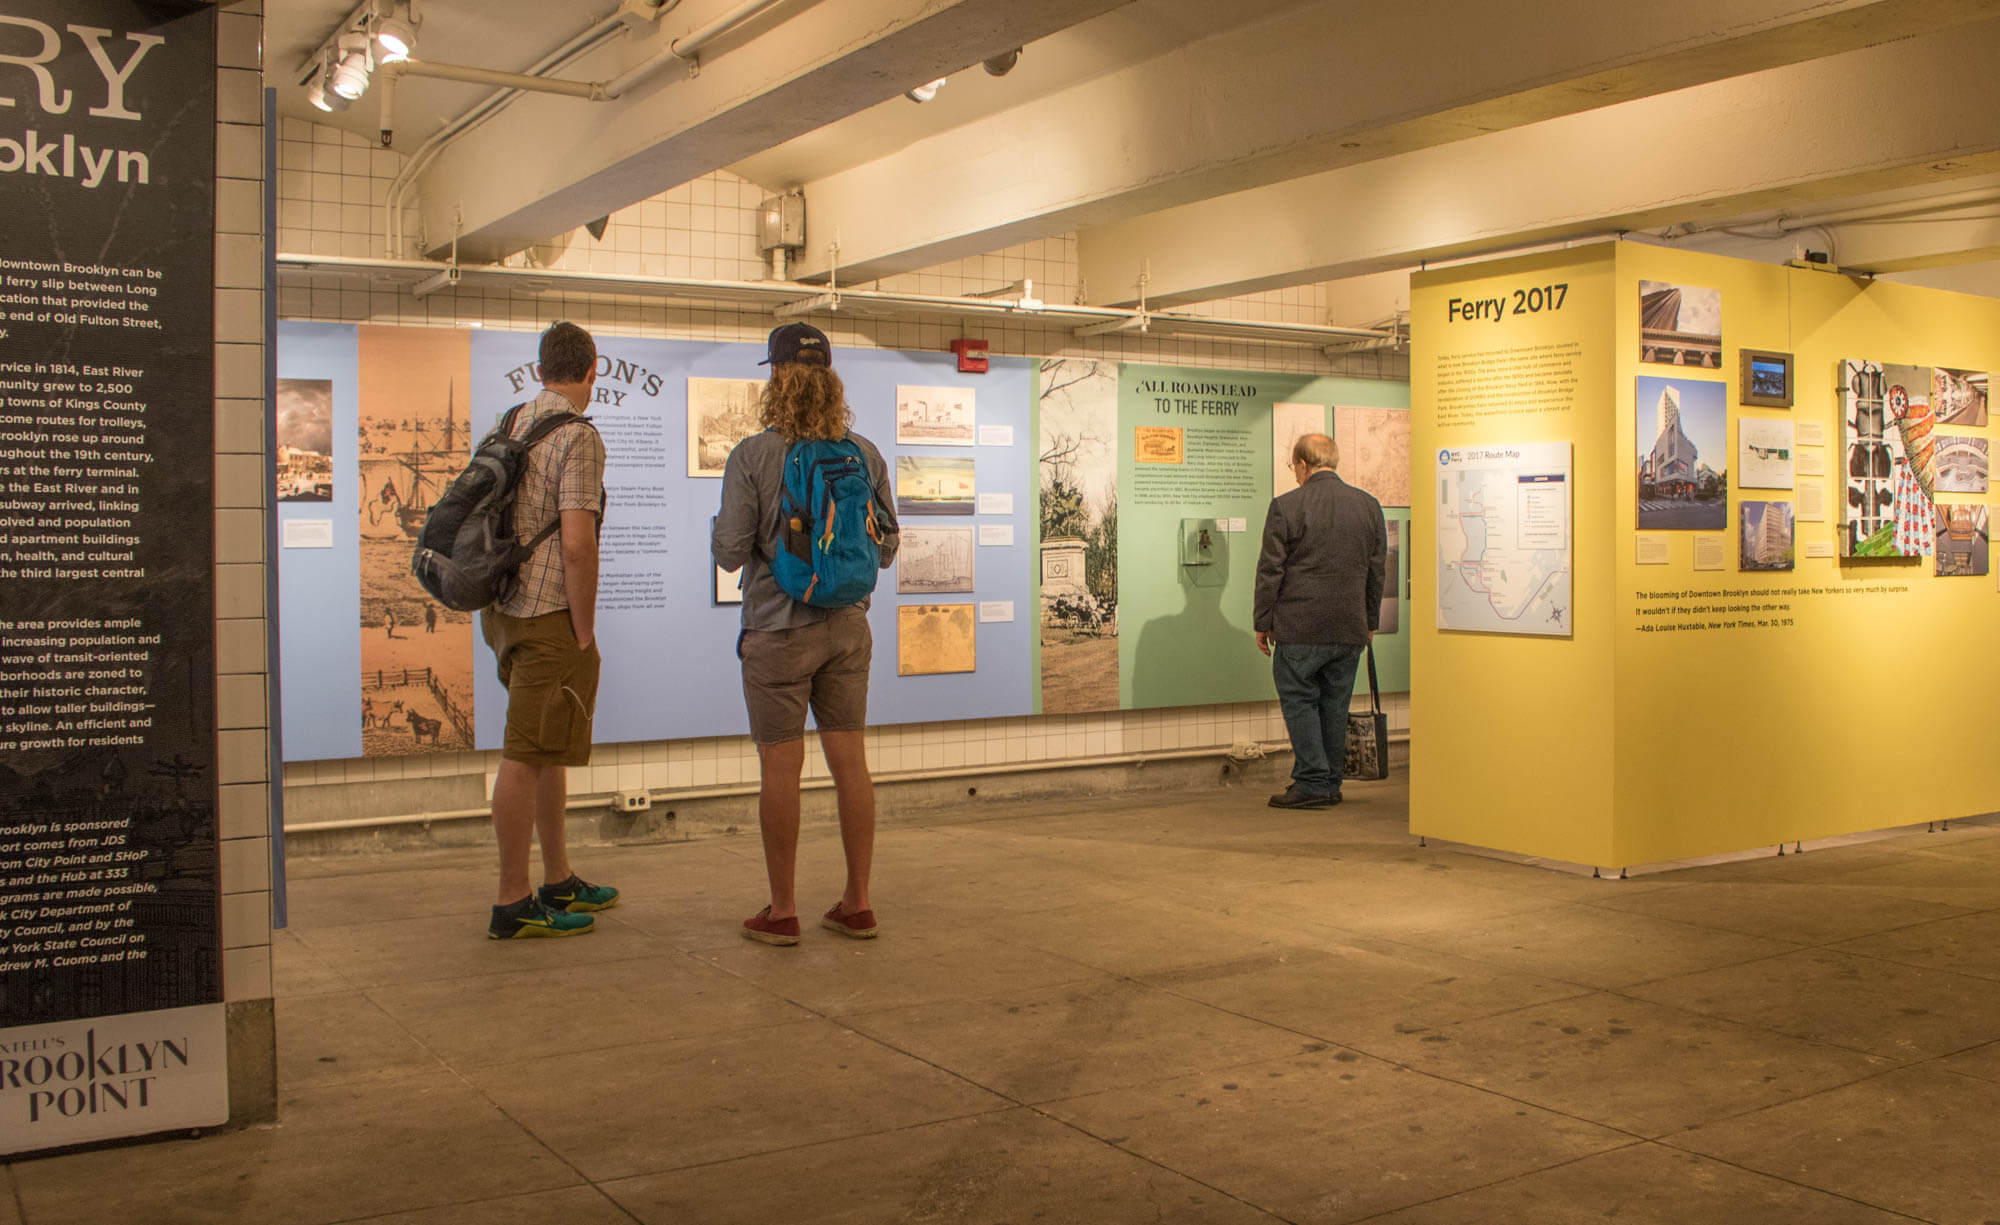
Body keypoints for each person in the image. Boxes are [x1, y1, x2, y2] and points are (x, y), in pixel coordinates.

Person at [713, 322, 898, 946]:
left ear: (775, 377)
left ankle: (784, 909)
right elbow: (890, 546)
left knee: (780, 769)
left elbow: (730, 554)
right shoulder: (865, 452)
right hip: (849, 628)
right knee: (852, 765)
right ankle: (858, 902)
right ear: (830, 380)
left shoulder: (752, 456)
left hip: (777, 631)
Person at [479, 321, 619, 938]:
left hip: (504, 609)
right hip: (547, 615)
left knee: (546, 745)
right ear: (593, 370)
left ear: (540, 372)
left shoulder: (509, 423)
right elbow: (578, 542)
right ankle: (513, 900)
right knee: (523, 754)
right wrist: (582, 628)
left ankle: (558, 879)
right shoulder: (579, 437)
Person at [1253, 432, 1385, 809]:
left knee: (1299, 699)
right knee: (1334, 703)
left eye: (1294, 467)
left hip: (1301, 627)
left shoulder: (1286, 507)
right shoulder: (1368, 506)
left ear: (1303, 464)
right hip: (1349, 628)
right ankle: (1330, 781)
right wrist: (1369, 621)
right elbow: (1378, 572)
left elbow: (1270, 571)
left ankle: (1312, 781)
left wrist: (1263, 621)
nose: (1294, 474)